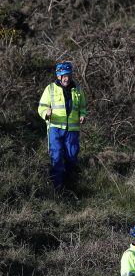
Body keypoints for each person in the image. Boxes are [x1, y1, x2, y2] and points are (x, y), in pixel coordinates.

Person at [37, 61, 87, 191]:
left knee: (71, 157)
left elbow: (82, 107)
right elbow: (41, 107)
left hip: (72, 130)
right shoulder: (50, 89)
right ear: (58, 76)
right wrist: (46, 113)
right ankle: (58, 189)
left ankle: (70, 185)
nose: (67, 78)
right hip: (55, 129)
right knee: (57, 156)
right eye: (64, 75)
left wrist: (82, 115)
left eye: (69, 75)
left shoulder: (78, 89)